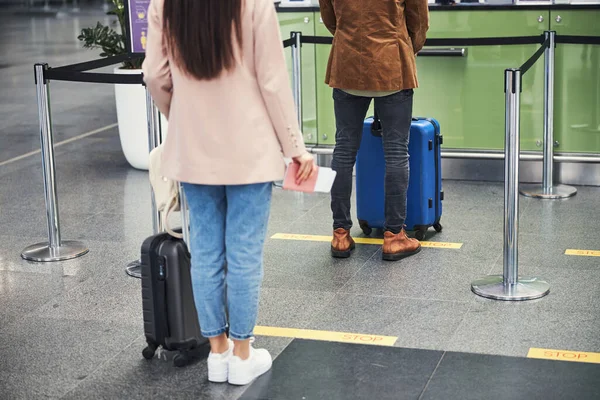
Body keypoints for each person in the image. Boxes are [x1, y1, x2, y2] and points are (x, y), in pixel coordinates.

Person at [143, 0, 315, 386]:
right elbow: (272, 82)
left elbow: (154, 76)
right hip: (249, 150)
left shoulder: (165, 4)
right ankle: (242, 354)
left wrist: (180, 116)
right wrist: (295, 148)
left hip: (194, 149)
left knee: (204, 252)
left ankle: (217, 352)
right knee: (244, 253)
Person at [319, 0, 430, 261]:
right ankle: (394, 237)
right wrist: (404, 47)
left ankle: (340, 234)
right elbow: (419, 20)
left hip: (347, 63)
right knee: (396, 152)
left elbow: (329, 17)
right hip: (391, 62)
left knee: (344, 151)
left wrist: (350, 38)